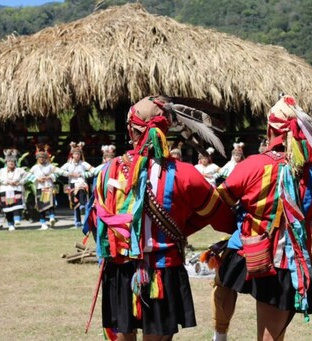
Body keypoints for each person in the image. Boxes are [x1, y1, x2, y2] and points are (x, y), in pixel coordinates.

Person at [87, 95, 236, 340]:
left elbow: (96, 223)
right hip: (161, 272)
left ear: (131, 130)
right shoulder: (185, 175)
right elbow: (220, 219)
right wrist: (181, 229)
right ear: (164, 131)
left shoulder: (106, 172)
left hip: (119, 271)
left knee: (123, 332)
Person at [211, 95, 312, 341]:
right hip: (288, 265)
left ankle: (219, 334)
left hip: (249, 253)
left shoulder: (251, 166)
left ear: (270, 129)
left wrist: (238, 225)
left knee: (222, 278)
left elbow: (218, 207)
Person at [0, 149, 35, 231]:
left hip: (16, 190)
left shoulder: (19, 170)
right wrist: (7, 181)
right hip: (5, 191)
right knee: (8, 209)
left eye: (13, 162)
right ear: (6, 163)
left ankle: (17, 220)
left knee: (17, 206)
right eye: (9, 162)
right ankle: (10, 224)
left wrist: (20, 182)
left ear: (15, 162)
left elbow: (29, 176)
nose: (11, 163)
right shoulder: (1, 171)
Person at [29, 144, 67, 230]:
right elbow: (27, 176)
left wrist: (50, 177)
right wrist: (37, 179)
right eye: (40, 158)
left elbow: (59, 172)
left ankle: (52, 217)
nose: (41, 159)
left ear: (46, 158)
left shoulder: (50, 166)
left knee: (51, 204)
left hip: (48, 187)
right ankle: (43, 223)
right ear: (37, 159)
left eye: (43, 157)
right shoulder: (34, 168)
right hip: (40, 188)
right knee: (41, 206)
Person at [60, 141, 94, 228]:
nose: (77, 156)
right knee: (75, 204)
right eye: (75, 154)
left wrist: (82, 174)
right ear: (72, 155)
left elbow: (93, 171)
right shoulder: (68, 165)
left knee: (83, 201)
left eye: (79, 154)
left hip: (82, 183)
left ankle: (87, 219)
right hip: (72, 185)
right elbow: (59, 171)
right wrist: (70, 174)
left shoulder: (83, 164)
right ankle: (78, 222)